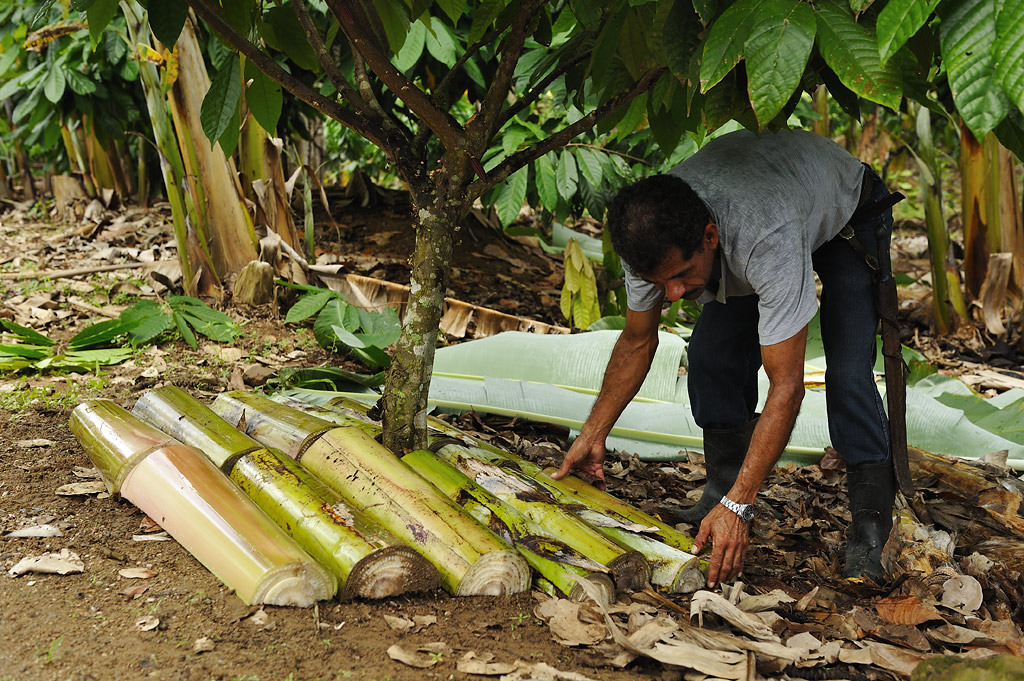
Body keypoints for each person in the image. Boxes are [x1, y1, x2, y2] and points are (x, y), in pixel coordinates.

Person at [552, 129, 898, 587]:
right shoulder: (650, 243)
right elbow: (637, 341)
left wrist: (743, 505)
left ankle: (870, 527)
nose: (673, 294)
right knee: (711, 358)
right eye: (661, 283)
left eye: (680, 277)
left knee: (848, 374)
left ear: (710, 237)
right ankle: (719, 490)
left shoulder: (763, 236)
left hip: (846, 212)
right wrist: (591, 433)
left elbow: (787, 385)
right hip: (768, 205)